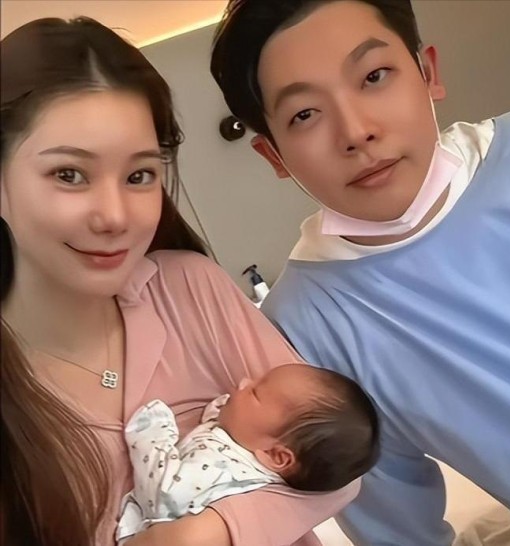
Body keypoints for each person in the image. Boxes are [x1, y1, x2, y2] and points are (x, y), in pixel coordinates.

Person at [210, 1, 510, 545]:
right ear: (273, 154)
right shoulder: (306, 333)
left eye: (374, 77)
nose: (356, 132)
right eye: (305, 114)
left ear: (428, 72)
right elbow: (398, 533)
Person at [0, 16, 359, 546]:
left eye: (139, 175)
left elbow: (336, 461)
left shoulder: (188, 289)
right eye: (69, 174)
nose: (115, 216)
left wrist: (205, 531)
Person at [117, 363, 379, 542]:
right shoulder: (250, 446)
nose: (243, 382)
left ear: (277, 456)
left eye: (255, 393)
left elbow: (163, 494)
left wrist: (152, 432)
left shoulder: (223, 469)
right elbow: (220, 428)